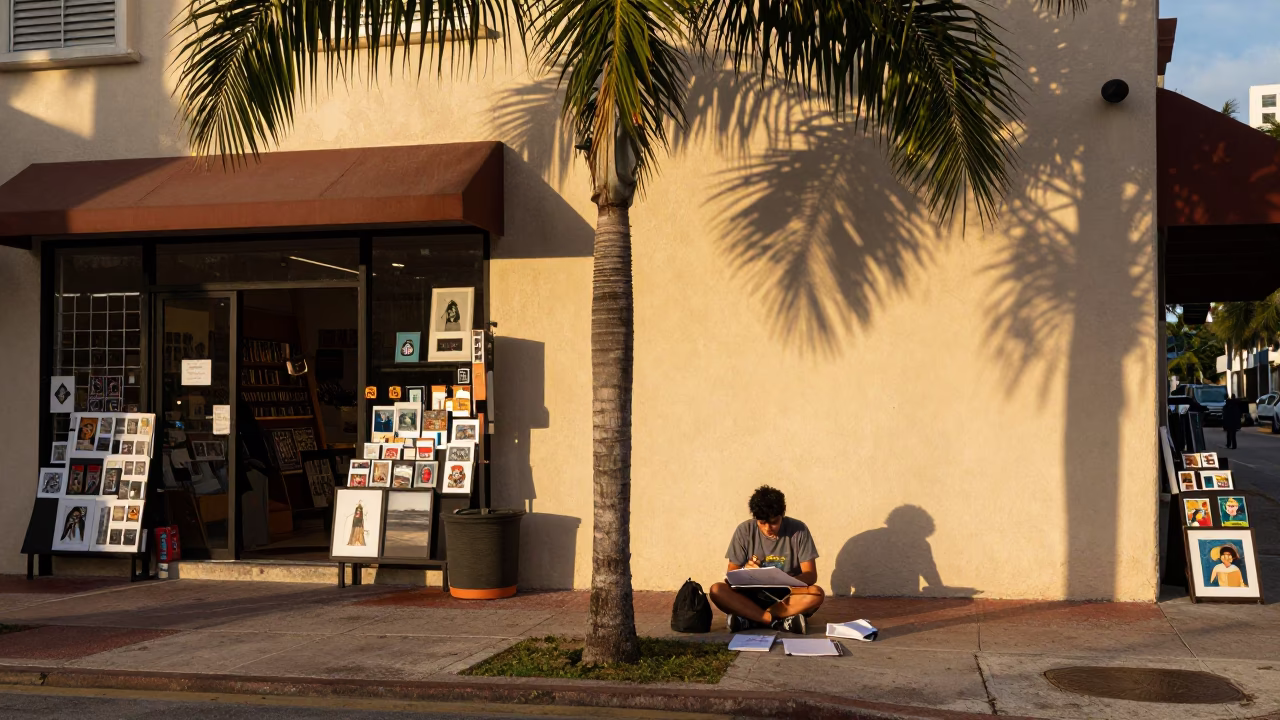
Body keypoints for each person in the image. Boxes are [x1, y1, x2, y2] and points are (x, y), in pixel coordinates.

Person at [709, 485, 824, 634]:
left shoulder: (798, 530)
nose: (768, 528)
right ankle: (776, 621)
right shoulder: (744, 530)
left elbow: (810, 575)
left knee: (816, 594)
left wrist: (788, 579)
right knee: (716, 590)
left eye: (774, 522)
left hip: (786, 596)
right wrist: (745, 571)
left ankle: (750, 618)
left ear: (782, 514)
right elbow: (731, 572)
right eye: (762, 523)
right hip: (751, 596)